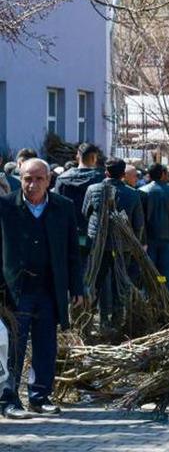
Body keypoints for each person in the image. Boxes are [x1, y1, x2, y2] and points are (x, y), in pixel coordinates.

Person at [0, 159, 84, 418]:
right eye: (27, 179)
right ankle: (8, 399)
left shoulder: (63, 207)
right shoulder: (5, 207)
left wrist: (76, 287)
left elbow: (73, 251)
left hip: (49, 288)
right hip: (15, 291)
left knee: (46, 344)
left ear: (49, 181)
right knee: (13, 345)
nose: (32, 184)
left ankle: (40, 396)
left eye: (38, 179)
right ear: (20, 178)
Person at [82, 158, 145, 330]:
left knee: (95, 281)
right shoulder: (132, 194)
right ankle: (117, 322)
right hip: (122, 246)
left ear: (106, 172)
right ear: (123, 174)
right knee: (120, 282)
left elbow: (85, 212)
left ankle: (88, 321)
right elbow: (138, 224)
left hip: (97, 246)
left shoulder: (92, 189)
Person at [53, 143, 105, 264]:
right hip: (94, 232)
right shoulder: (101, 179)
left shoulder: (62, 179)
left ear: (77, 157)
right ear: (94, 158)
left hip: (68, 231)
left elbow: (56, 207)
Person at [140, 163, 169, 295]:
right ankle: (165, 299)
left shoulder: (142, 191)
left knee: (149, 270)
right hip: (167, 238)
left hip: (148, 239)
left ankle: (149, 299)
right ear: (163, 174)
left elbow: (139, 218)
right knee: (165, 272)